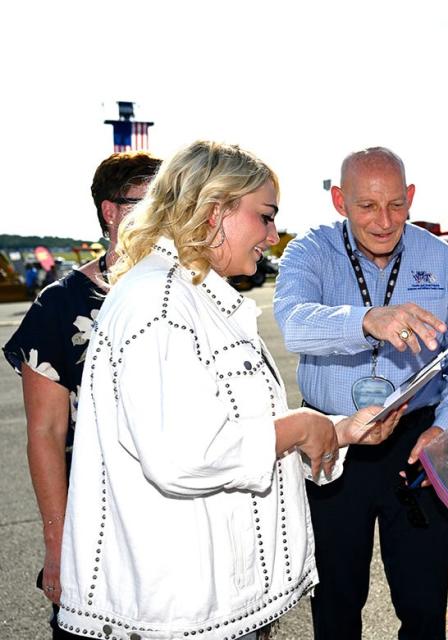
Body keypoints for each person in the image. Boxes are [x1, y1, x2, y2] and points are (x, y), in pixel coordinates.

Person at [54, 140, 402, 640]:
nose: (273, 234)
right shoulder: (161, 303)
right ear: (215, 211)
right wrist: (302, 424)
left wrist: (337, 431)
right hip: (174, 617)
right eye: (264, 216)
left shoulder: (195, 297)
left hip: (212, 608)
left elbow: (235, 432)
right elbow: (182, 455)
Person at [273, 147, 448, 640]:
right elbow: (291, 324)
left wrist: (444, 424)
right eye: (367, 206)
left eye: (396, 204)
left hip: (416, 444)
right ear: (339, 201)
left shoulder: (438, 255)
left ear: (411, 197)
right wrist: (368, 320)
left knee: (423, 600)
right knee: (335, 600)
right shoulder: (309, 251)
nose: (384, 221)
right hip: (331, 440)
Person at [3, 151, 161, 639]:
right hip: (98, 526)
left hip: (179, 519)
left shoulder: (189, 292)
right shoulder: (61, 304)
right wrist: (58, 543)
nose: (163, 214)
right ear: (110, 212)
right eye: (147, 202)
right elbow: (47, 433)